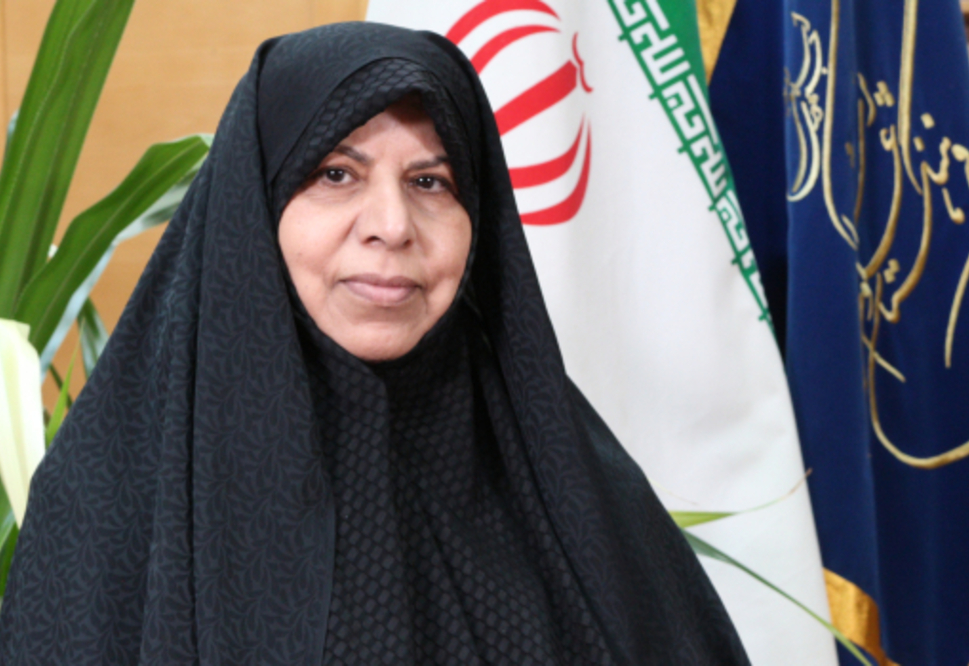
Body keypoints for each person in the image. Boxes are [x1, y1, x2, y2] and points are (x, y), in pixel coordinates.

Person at [0, 22, 749, 665]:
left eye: (430, 183)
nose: (391, 225)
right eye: (336, 174)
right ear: (254, 207)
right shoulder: (110, 502)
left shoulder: (573, 490)